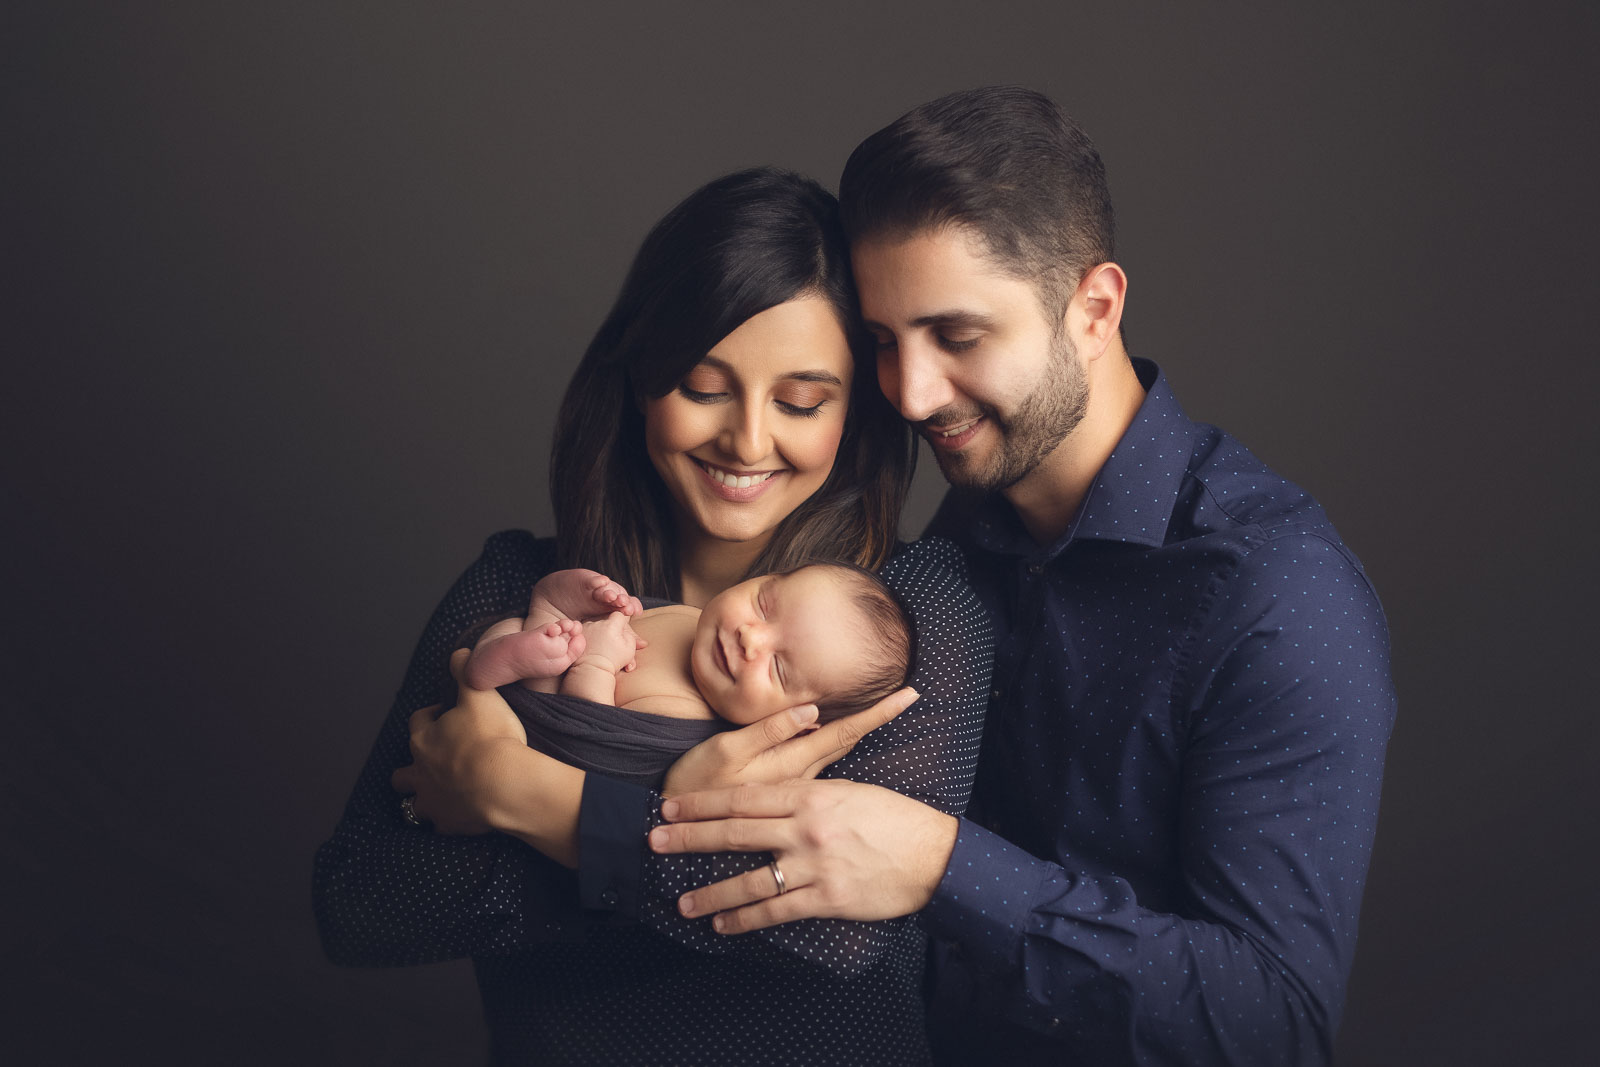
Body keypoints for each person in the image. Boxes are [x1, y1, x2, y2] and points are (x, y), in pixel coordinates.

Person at [645, 88, 1398, 1065]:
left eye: (957, 336)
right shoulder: (946, 534)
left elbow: (1273, 1024)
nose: (911, 393)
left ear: (1093, 307)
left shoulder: (1277, 596)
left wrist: (941, 866)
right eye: (884, 340)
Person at [312, 166, 994, 1065]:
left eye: (800, 402)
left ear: (854, 413)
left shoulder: (911, 621)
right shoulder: (522, 592)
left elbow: (835, 935)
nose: (748, 441)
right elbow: (359, 905)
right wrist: (675, 833)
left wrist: (518, 794)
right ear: (639, 381)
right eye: (705, 387)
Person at [455, 561, 915, 790]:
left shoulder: (686, 725)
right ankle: (530, 626)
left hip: (540, 713)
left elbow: (586, 740)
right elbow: (629, 616)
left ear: (799, 720)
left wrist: (594, 666)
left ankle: (495, 667)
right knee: (541, 617)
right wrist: (599, 599)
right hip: (557, 641)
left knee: (535, 655)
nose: (750, 638)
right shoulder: (693, 617)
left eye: (777, 667)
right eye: (763, 604)